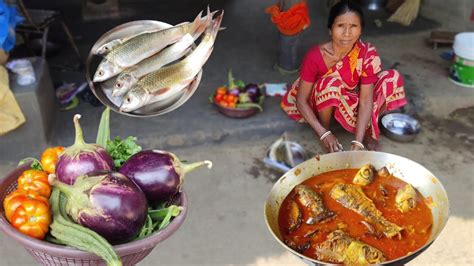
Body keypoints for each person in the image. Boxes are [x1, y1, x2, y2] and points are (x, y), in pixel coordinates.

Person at [281, 0, 406, 153]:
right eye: (340, 26)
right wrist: (324, 133)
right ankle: (326, 133)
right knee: (330, 83)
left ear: (361, 30)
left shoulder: (365, 54)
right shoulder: (315, 56)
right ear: (330, 29)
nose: (347, 33)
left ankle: (367, 130)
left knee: (391, 78)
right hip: (322, 102)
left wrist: (358, 143)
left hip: (352, 99)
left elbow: (366, 99)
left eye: (353, 26)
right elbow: (301, 101)